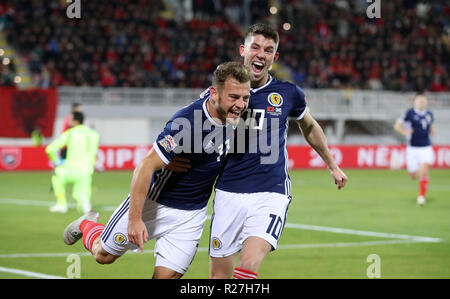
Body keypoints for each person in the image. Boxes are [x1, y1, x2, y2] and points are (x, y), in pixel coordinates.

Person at [62, 62, 252, 279]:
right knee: (103, 255)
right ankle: (88, 225)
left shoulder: (236, 113)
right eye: (234, 97)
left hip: (191, 214)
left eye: (245, 98)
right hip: (155, 203)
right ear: (214, 94)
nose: (240, 104)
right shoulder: (186, 125)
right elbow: (144, 166)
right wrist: (134, 219)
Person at [207, 23, 348, 279]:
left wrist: (332, 164)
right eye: (256, 47)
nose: (261, 54)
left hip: (270, 193)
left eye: (269, 50)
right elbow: (199, 134)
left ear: (275, 57)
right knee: (219, 278)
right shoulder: (220, 93)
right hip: (228, 192)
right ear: (243, 50)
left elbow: (310, 126)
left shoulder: (288, 93)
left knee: (246, 268)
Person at [46, 111, 99, 213]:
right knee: (83, 195)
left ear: (75, 121)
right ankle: (84, 203)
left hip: (70, 169)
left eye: (71, 119)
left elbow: (50, 149)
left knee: (56, 175)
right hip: (86, 171)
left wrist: (56, 161)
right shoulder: (94, 134)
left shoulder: (70, 133)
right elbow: (93, 152)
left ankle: (61, 204)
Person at [394, 92, 435, 205]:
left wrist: (432, 131)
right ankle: (416, 178)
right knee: (413, 175)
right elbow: (397, 125)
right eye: (420, 100)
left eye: (423, 100)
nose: (422, 102)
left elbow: (431, 127)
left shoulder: (429, 114)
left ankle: (421, 196)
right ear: (415, 102)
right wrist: (404, 132)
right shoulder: (409, 113)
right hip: (412, 148)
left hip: (426, 147)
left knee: (424, 171)